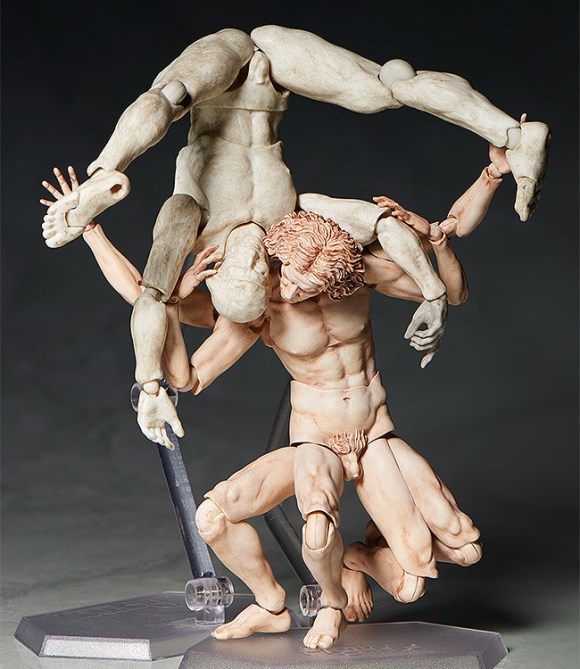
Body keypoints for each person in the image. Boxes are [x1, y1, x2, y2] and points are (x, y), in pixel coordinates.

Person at [40, 27, 550, 454]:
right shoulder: (286, 223)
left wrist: (148, 380)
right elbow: (380, 223)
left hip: (239, 64)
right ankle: (513, 135)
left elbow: (148, 296)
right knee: (383, 86)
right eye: (258, 273)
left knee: (174, 96)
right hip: (256, 73)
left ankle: (104, 170)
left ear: (216, 270)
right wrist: (434, 294)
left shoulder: (194, 221)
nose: (253, 260)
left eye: (241, 269)